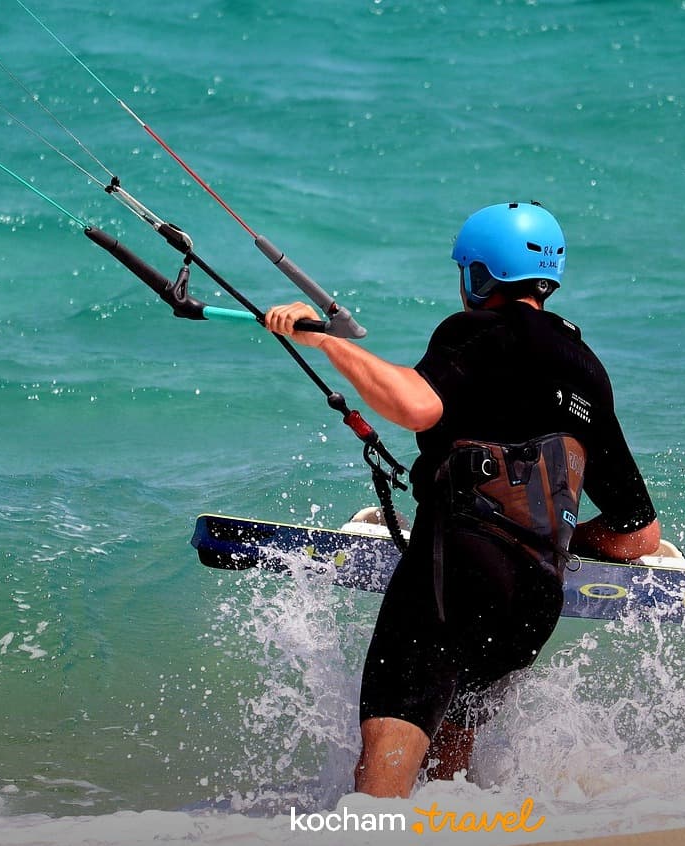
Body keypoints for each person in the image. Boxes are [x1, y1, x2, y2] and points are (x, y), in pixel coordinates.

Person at [264, 201, 662, 798]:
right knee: (449, 772)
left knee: (388, 769)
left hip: (459, 572)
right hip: (534, 601)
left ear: (479, 276)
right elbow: (638, 535)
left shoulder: (477, 331)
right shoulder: (588, 371)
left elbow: (416, 405)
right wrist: (551, 532)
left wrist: (324, 341)